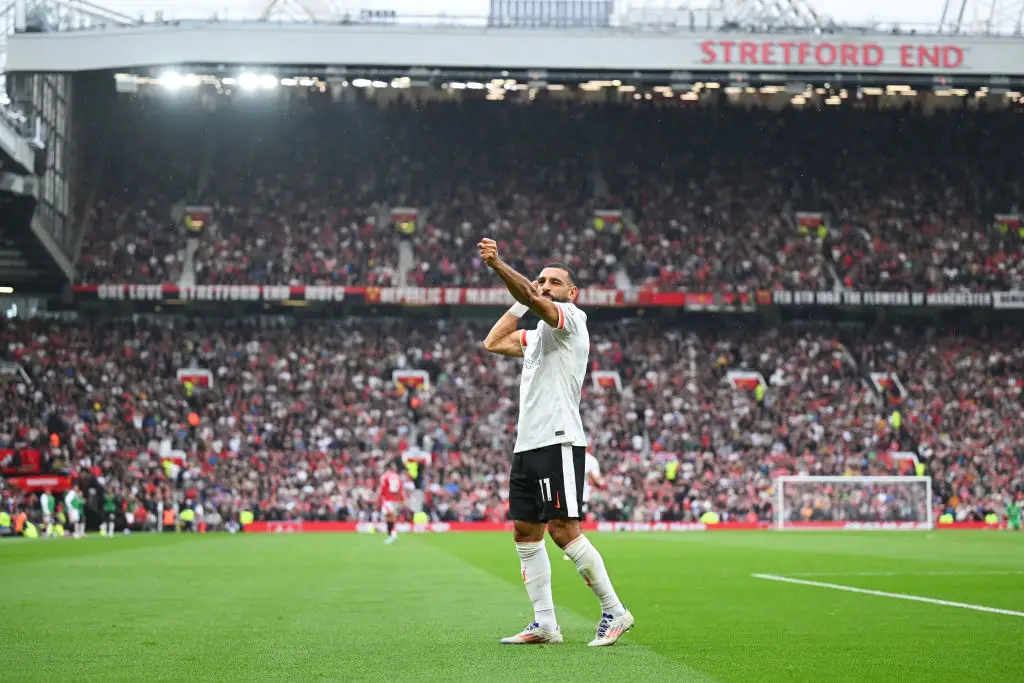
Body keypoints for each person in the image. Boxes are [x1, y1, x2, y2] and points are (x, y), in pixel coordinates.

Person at [478, 238, 633, 647]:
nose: (546, 285)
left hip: (558, 439)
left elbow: (534, 298)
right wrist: (520, 303)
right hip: (527, 444)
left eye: (554, 281)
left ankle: (615, 611)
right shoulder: (539, 334)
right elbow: (493, 342)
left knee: (564, 530)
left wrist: (500, 267)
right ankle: (545, 623)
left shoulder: (572, 319)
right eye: (542, 280)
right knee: (526, 532)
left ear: (571, 292)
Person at [563, 450, 604, 562]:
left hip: (579, 494)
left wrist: (593, 478)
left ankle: (578, 549)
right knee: (572, 522)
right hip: (572, 493)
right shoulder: (589, 459)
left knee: (576, 522)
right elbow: (598, 481)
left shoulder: (588, 459)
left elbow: (598, 481)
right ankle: (578, 549)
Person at [378, 461, 405, 545]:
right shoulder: (397, 476)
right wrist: (402, 499)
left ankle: (392, 536)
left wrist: (380, 498)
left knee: (389, 517)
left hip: (388, 499)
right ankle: (392, 535)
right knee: (392, 517)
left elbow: (383, 489)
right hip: (396, 500)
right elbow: (400, 489)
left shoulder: (385, 476)